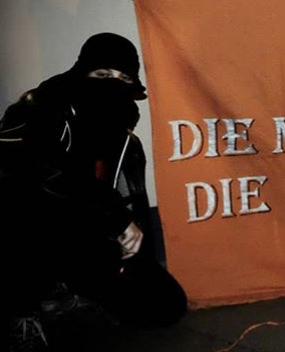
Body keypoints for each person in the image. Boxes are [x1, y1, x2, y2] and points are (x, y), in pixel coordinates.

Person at [2, 33, 187, 351]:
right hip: (25, 236)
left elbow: (131, 200)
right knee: (26, 215)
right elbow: (37, 174)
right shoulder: (41, 109)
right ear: (81, 72)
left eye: (122, 78)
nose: (112, 84)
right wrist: (116, 217)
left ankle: (64, 287)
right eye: (102, 74)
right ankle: (21, 308)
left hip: (85, 237)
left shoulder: (123, 135)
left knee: (164, 305)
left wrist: (135, 254)